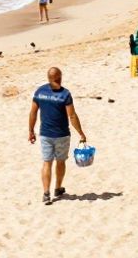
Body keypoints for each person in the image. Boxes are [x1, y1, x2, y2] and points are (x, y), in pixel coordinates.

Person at [28, 67, 86, 205]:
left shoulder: (40, 91)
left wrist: (31, 131)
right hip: (62, 135)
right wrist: (81, 133)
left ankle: (46, 194)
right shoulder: (65, 94)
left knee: (47, 163)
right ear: (59, 77)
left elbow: (33, 112)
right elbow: (72, 116)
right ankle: (58, 188)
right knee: (60, 161)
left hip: (45, 134)